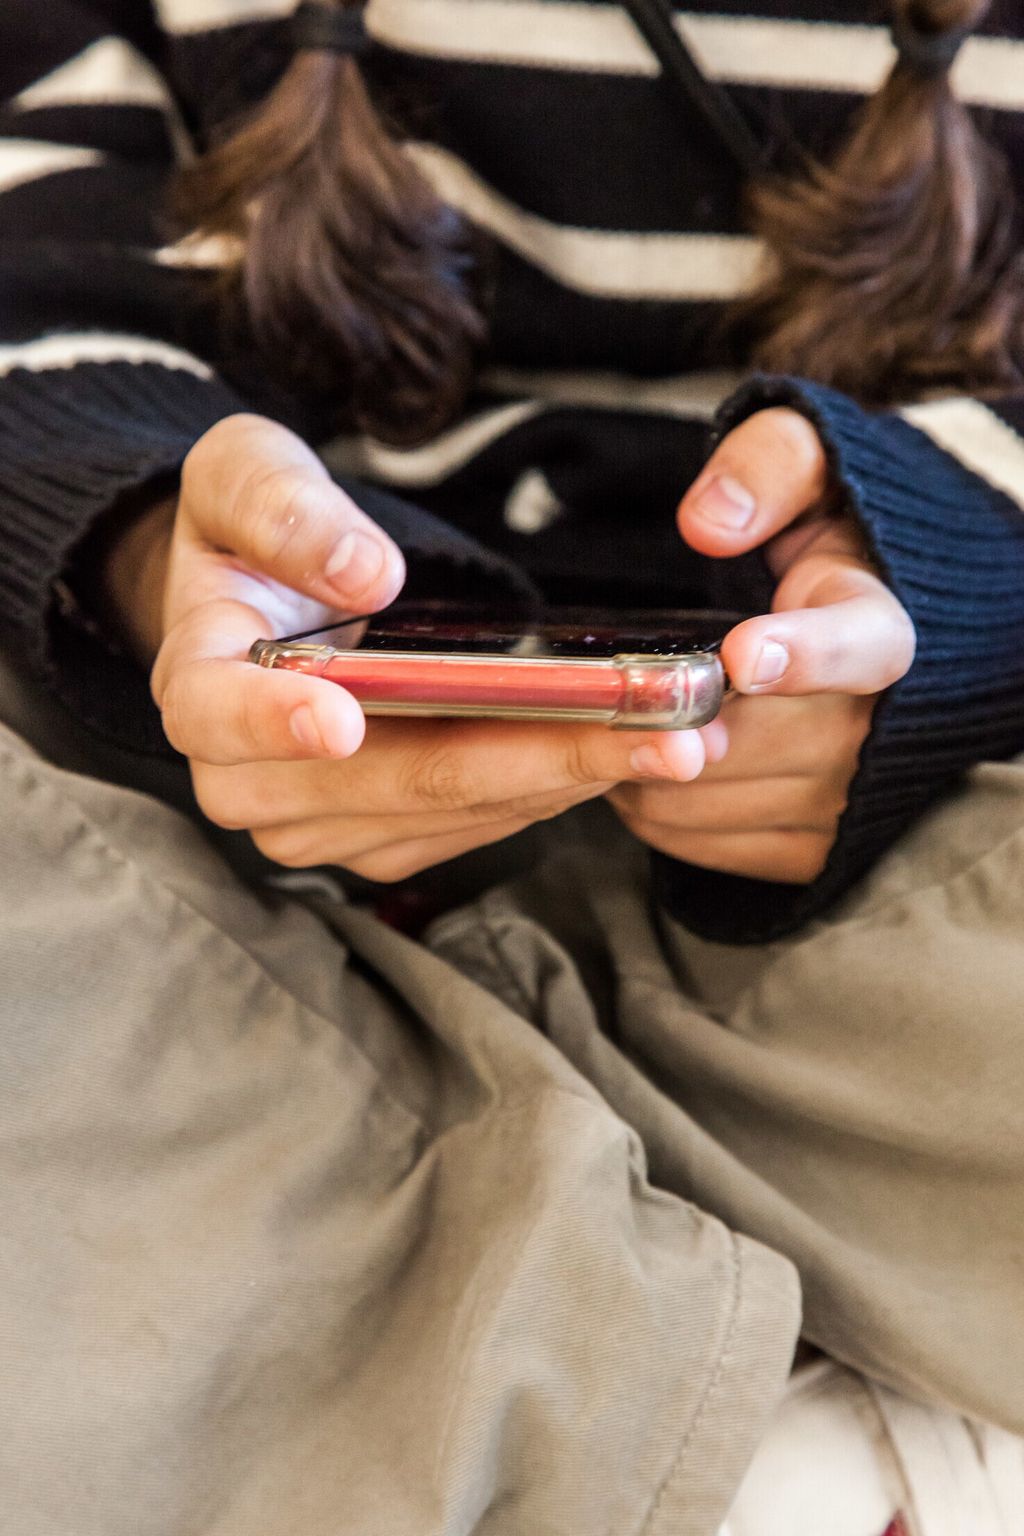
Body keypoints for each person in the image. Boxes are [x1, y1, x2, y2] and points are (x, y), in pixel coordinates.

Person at [0, 1, 1022, 1531]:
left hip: (891, 834)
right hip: (190, 800)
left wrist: (943, 582)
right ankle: (730, 1419)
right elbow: (32, 296)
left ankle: (512, 1385)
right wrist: (158, 555)